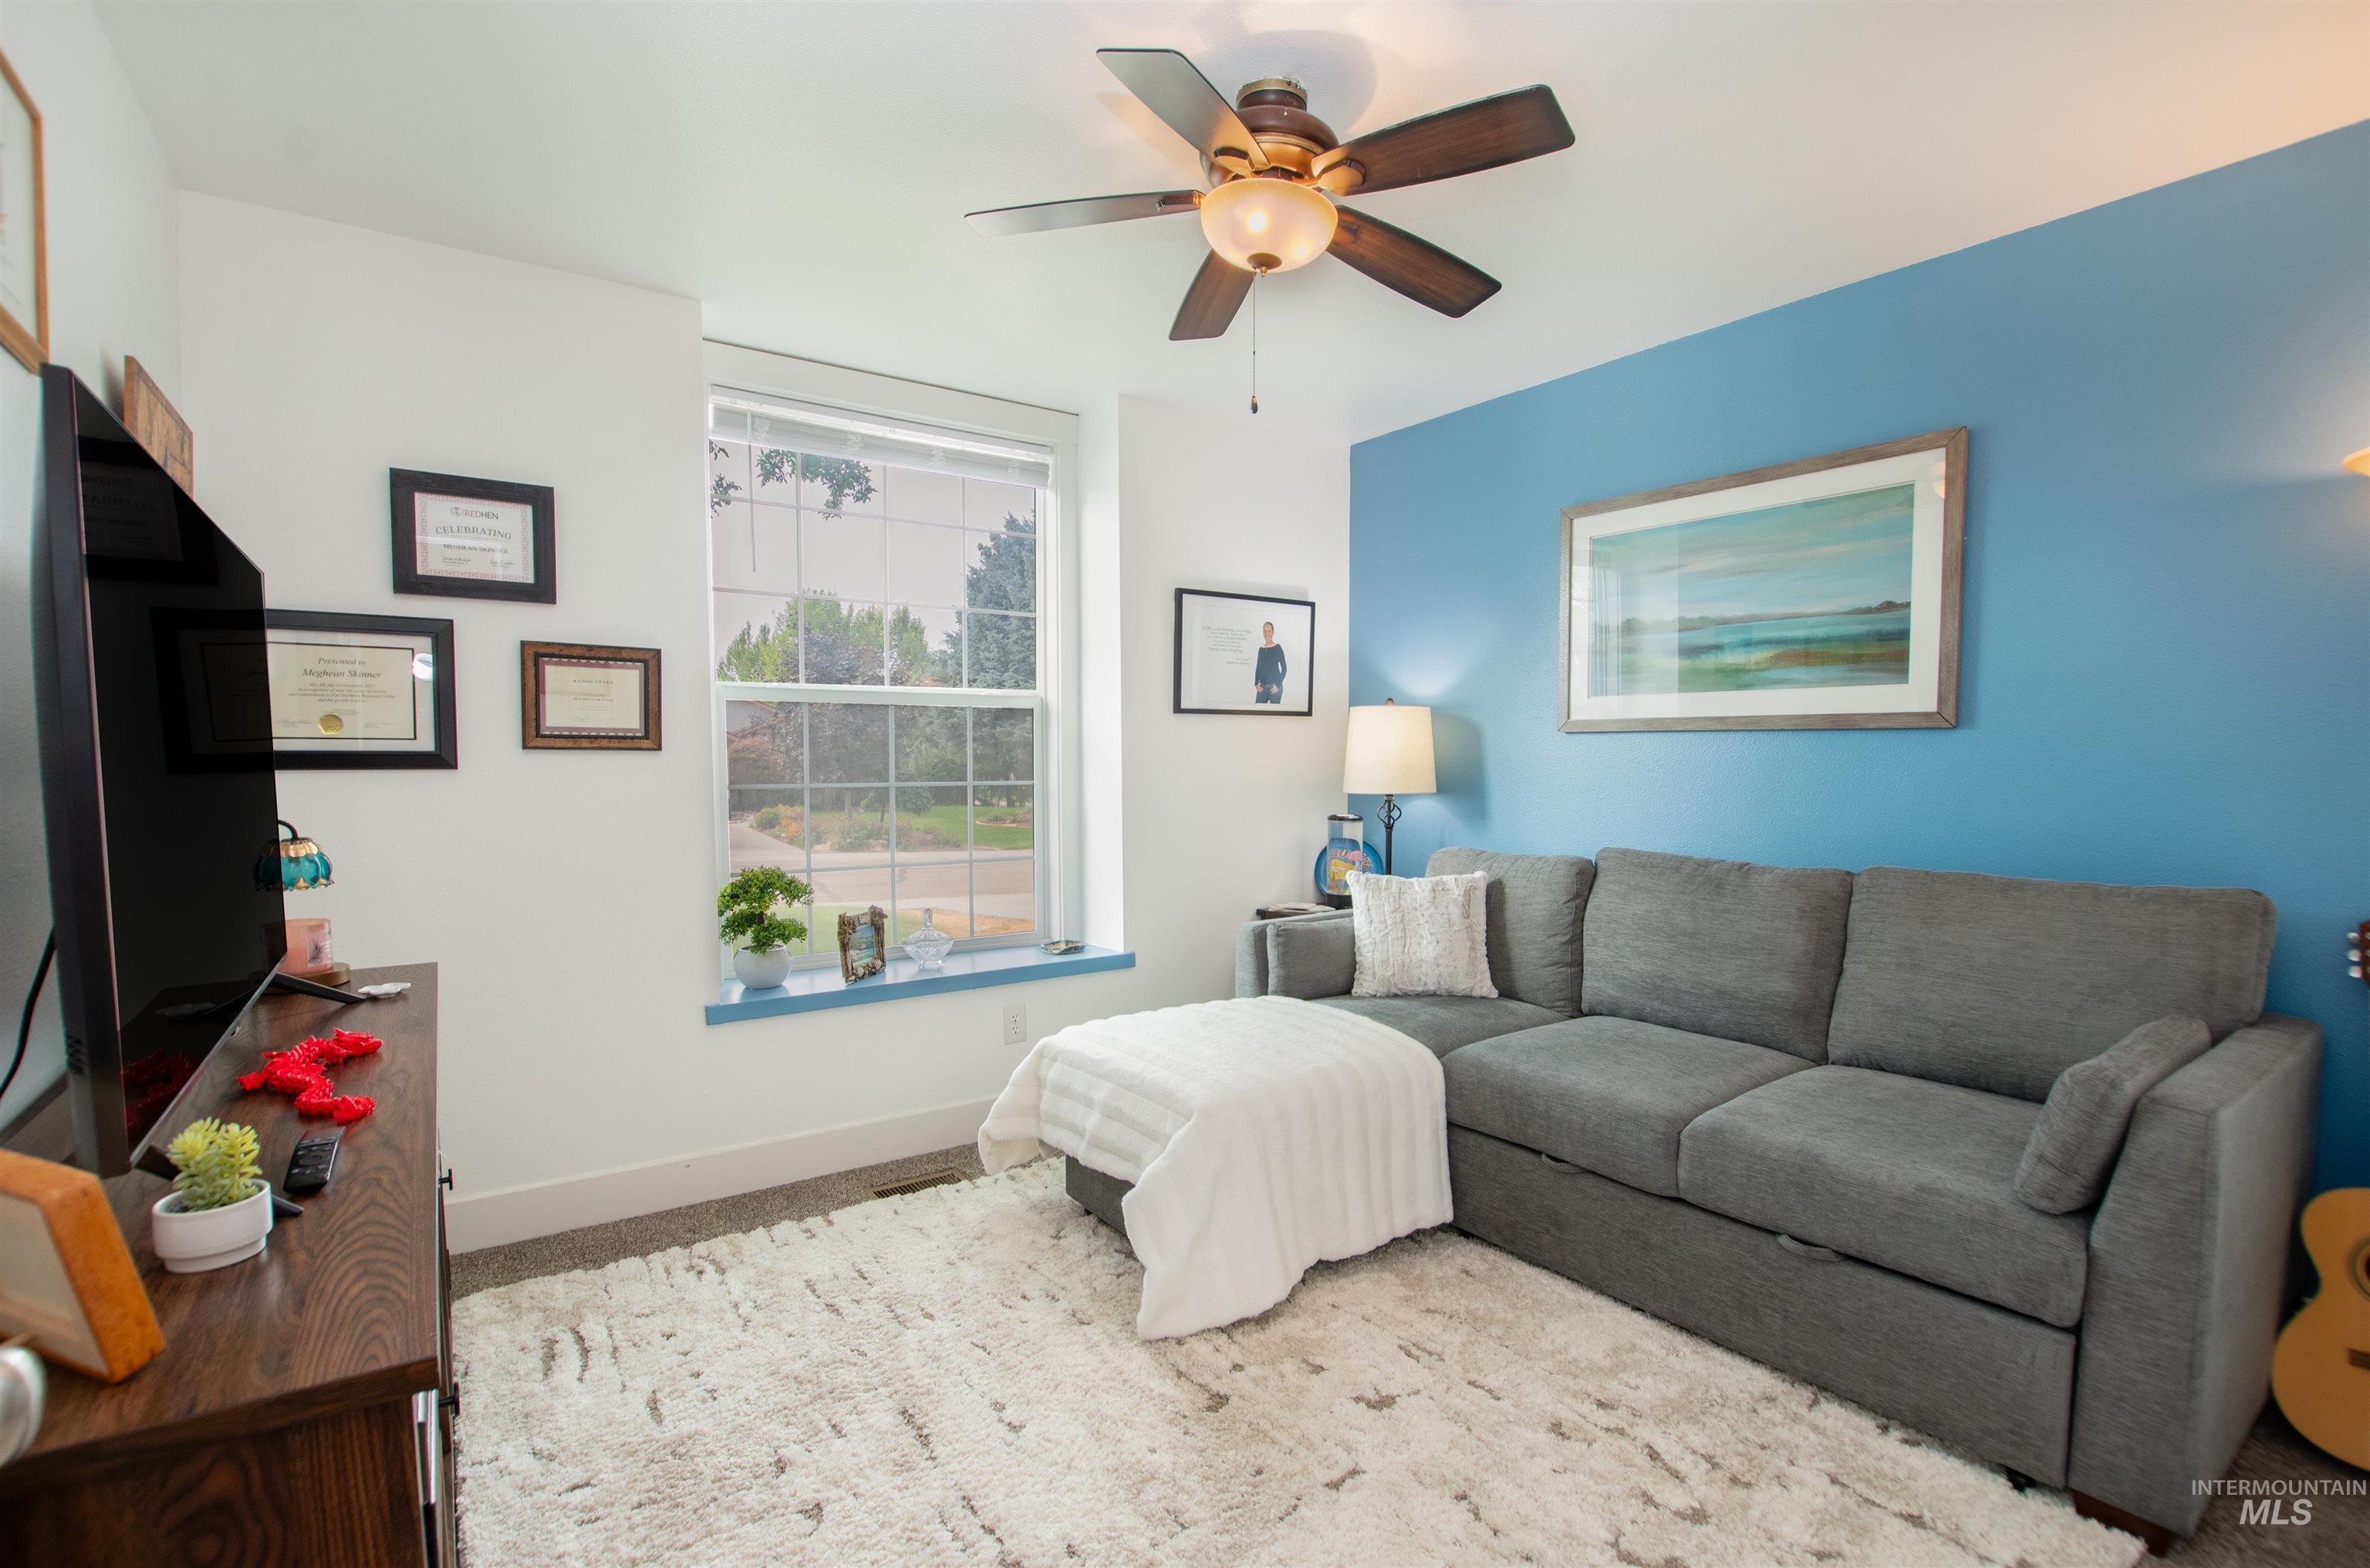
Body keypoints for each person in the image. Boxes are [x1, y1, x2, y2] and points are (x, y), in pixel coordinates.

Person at [1254, 622, 1287, 704]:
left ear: (1273, 632)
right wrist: (1256, 684)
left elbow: (1284, 668)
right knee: (1258, 712)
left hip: (1275, 687)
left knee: (1275, 715)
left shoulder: (1277, 648)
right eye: (1265, 631)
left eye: (1269, 631)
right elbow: (1258, 668)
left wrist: (1278, 684)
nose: (1267, 634)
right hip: (1262, 687)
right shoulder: (1261, 649)